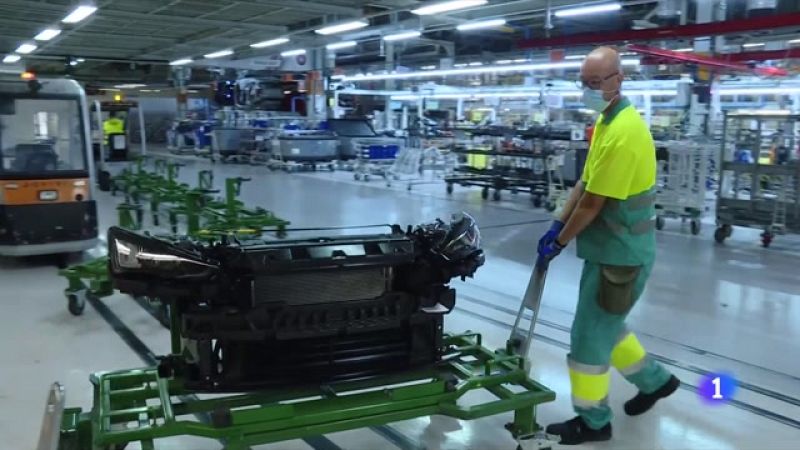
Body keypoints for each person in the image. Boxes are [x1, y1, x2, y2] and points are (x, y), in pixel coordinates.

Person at [536, 47, 680, 445]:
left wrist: (560, 241)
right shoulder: (606, 121)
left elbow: (596, 203)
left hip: (622, 255)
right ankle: (656, 382)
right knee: (607, 327)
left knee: (587, 337)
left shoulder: (624, 132)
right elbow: (585, 183)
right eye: (584, 84)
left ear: (619, 79)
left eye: (595, 83)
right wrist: (556, 225)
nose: (589, 90)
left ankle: (593, 422)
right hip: (608, 250)